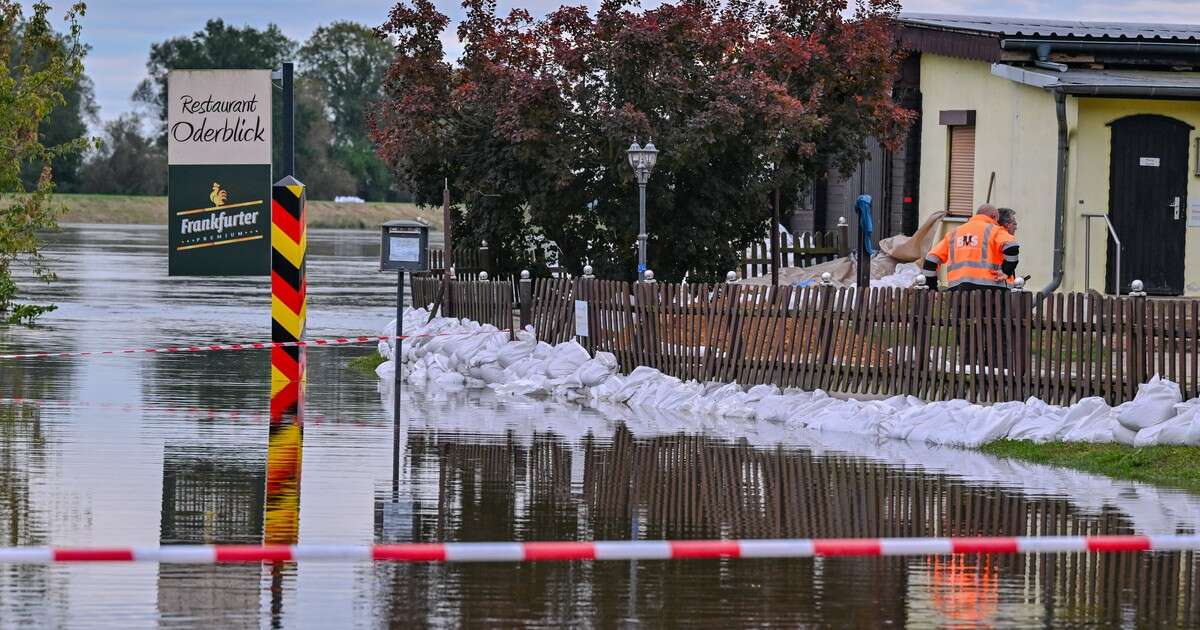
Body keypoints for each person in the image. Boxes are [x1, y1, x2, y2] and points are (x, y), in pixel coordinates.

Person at [921, 204, 1019, 291]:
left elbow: (931, 259)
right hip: (992, 289)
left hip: (957, 291)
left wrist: (931, 288)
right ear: (994, 217)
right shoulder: (995, 230)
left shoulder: (954, 233)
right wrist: (1006, 271)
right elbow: (1012, 246)